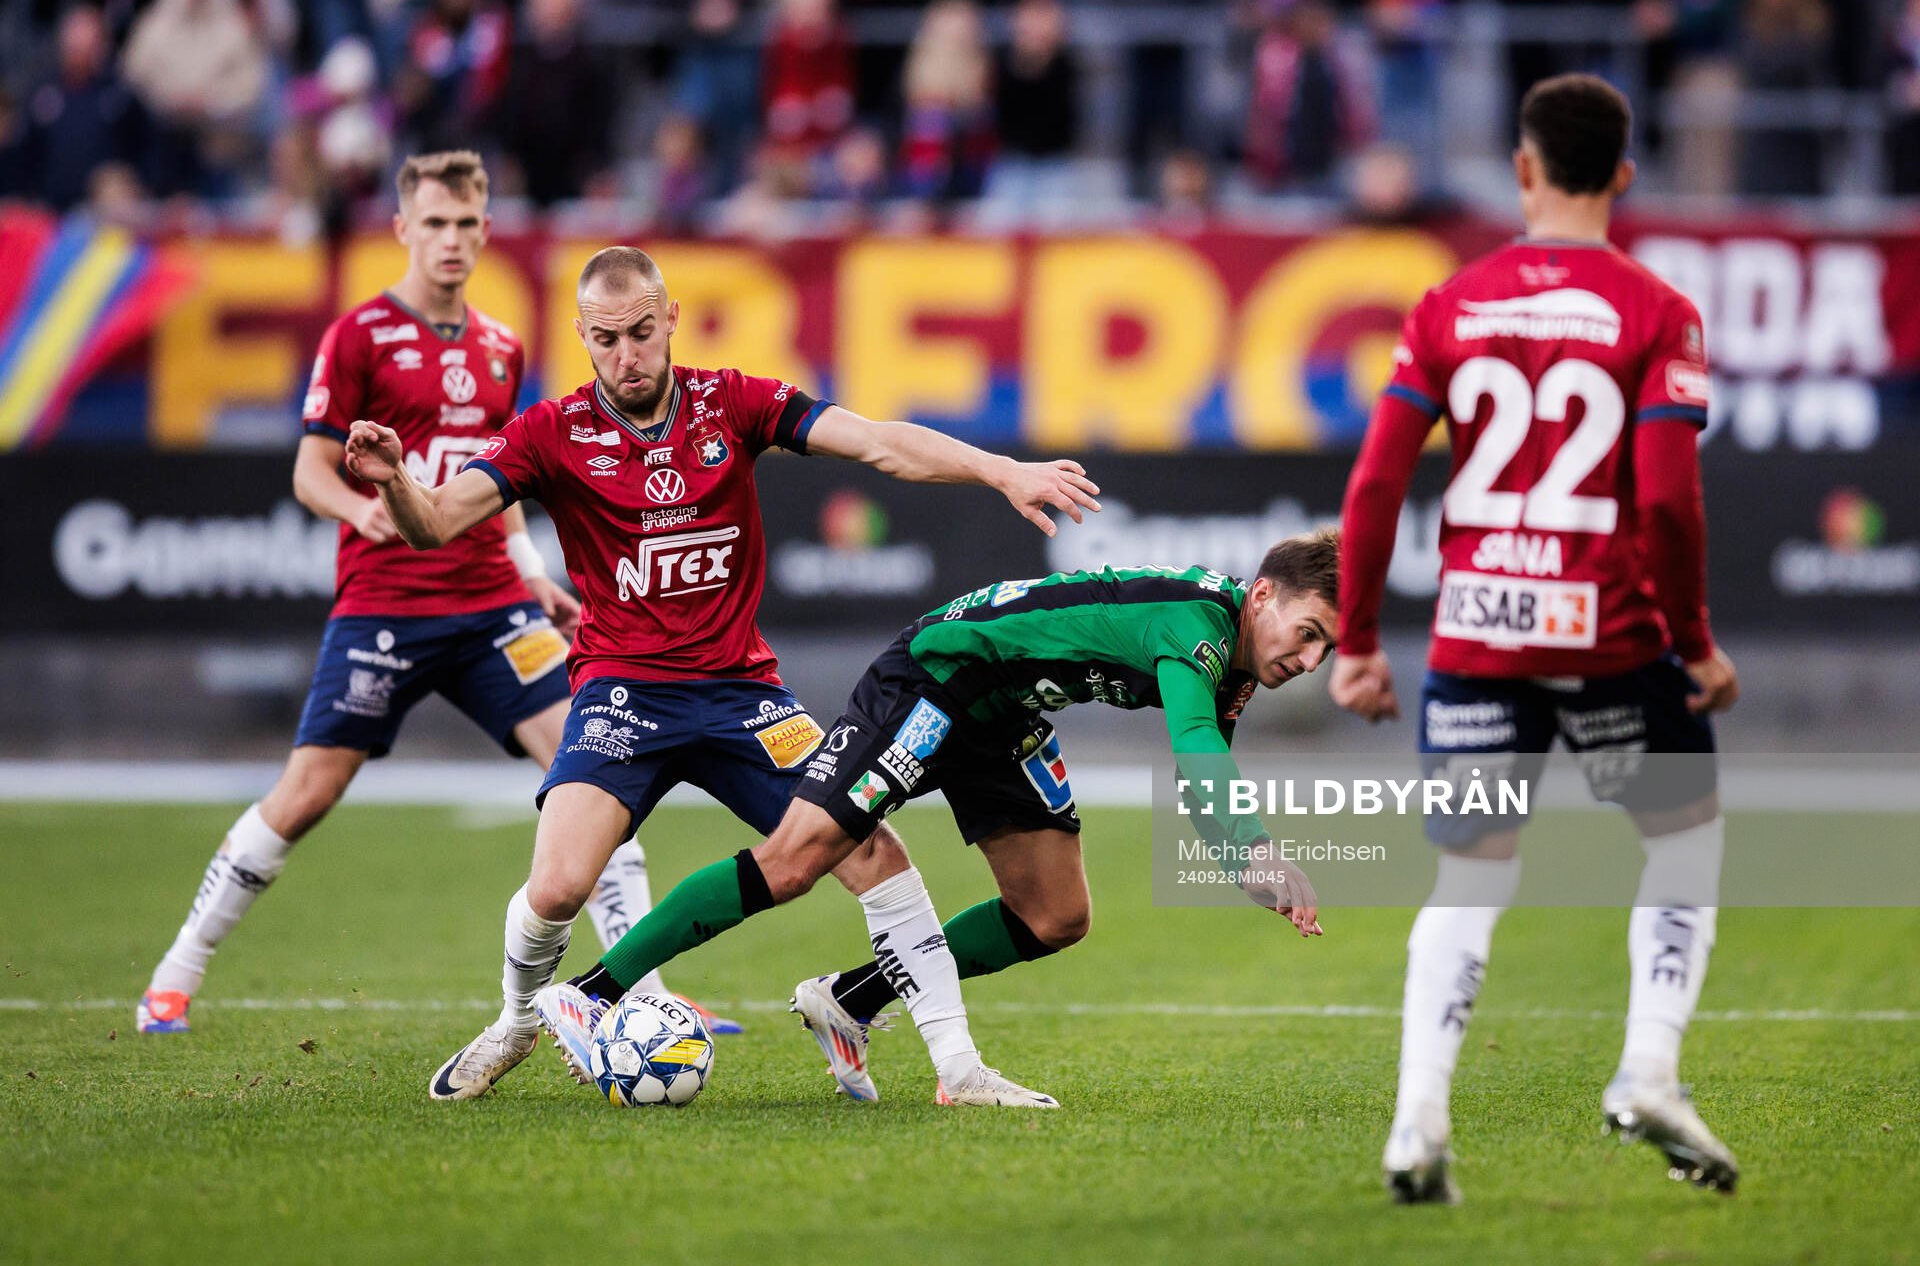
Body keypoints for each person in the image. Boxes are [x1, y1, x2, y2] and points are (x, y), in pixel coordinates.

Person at [343, 245, 1103, 1105]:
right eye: (605, 340)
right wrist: (399, 479)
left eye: (640, 332)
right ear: (581, 339)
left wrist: (999, 468)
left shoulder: (730, 401)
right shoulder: (550, 432)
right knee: (556, 886)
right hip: (621, 695)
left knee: (876, 854)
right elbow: (435, 523)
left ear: (670, 319)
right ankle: (520, 1019)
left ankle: (959, 1071)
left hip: (745, 695)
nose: (626, 357)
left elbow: (879, 444)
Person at [136, 152, 673, 1050]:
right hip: (386, 602)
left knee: (598, 773)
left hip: (496, 606)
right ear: (403, 230)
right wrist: (362, 511)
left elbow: (498, 482)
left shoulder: (503, 347)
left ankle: (647, 996)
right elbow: (311, 470)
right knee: (307, 793)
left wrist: (531, 568)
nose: (452, 241)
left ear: (486, 230)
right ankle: (175, 975)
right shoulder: (358, 337)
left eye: (466, 224)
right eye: (435, 224)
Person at [1330, 74, 1741, 1203]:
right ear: (1623, 174)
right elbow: (1666, 501)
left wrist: (1360, 640)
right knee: (1683, 841)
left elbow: (1374, 484)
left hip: (1477, 635)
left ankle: (1418, 1120)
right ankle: (1650, 1066)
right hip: (1610, 635)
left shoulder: (1449, 304)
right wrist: (1694, 642)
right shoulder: (1660, 311)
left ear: (1522, 169)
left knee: (1470, 871)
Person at [535, 539, 1336, 1108]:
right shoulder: (1199, 626)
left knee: (1055, 914)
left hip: (1004, 713)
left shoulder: (1232, 662)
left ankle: (851, 997)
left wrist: (1244, 866)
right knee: (797, 861)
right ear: (1263, 595)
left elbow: (1202, 777)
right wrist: (1256, 852)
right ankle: (592, 994)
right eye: (1307, 633)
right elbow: (1194, 749)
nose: (1308, 660)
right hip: (941, 675)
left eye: (1324, 650)